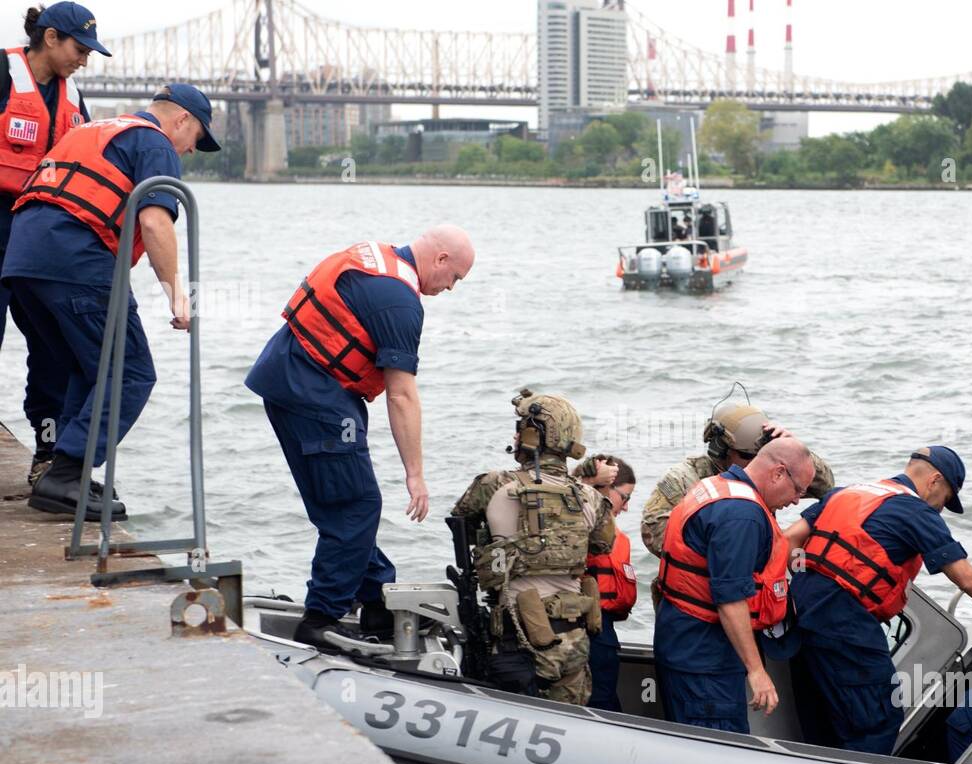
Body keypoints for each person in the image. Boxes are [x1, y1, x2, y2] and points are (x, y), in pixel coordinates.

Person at [245, 227, 475, 646]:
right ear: (440, 260)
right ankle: (321, 618)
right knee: (357, 506)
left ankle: (376, 602)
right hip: (315, 392)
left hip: (284, 376)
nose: (451, 288)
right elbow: (402, 395)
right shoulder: (401, 302)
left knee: (343, 506)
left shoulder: (374, 255)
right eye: (455, 277)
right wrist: (415, 475)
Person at [5, 82, 220, 521]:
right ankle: (65, 474)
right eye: (197, 138)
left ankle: (67, 473)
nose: (192, 151)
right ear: (182, 120)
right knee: (131, 372)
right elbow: (156, 222)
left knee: (89, 368)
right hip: (75, 261)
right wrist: (177, 292)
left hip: (22, 263)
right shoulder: (156, 143)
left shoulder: (93, 129)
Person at [782, 447, 972, 755]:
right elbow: (968, 579)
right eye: (947, 499)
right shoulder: (916, 511)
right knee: (879, 718)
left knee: (822, 713)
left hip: (801, 608)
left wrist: (812, 583)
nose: (942, 509)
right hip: (844, 619)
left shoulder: (848, 492)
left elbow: (790, 539)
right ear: (935, 481)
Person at [451, 390, 616, 705]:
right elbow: (603, 544)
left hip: (517, 640)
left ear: (531, 434)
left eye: (520, 426)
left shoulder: (494, 484)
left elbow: (461, 523)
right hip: (574, 639)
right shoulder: (592, 497)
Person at [0, 3, 101, 486]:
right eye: (80, 50)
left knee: (53, 349)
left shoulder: (73, 96)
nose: (84, 61)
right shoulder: (3, 71)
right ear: (52, 38)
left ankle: (48, 452)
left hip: (41, 235)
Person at [653, 436, 815, 733]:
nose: (796, 500)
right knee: (717, 749)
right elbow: (729, 599)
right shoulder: (742, 515)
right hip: (704, 657)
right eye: (798, 490)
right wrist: (757, 671)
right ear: (778, 473)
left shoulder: (717, 485)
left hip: (683, 639)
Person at [640, 397, 835, 598]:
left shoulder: (769, 472)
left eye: (762, 453)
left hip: (753, 587)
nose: (757, 460)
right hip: (702, 589)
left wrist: (792, 449)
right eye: (748, 455)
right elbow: (654, 530)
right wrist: (733, 545)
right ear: (720, 448)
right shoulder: (685, 477)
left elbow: (825, 486)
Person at [576, 454, 637, 711]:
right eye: (625, 497)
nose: (625, 507)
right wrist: (588, 484)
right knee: (601, 702)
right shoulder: (576, 525)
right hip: (584, 629)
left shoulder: (615, 536)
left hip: (605, 630)